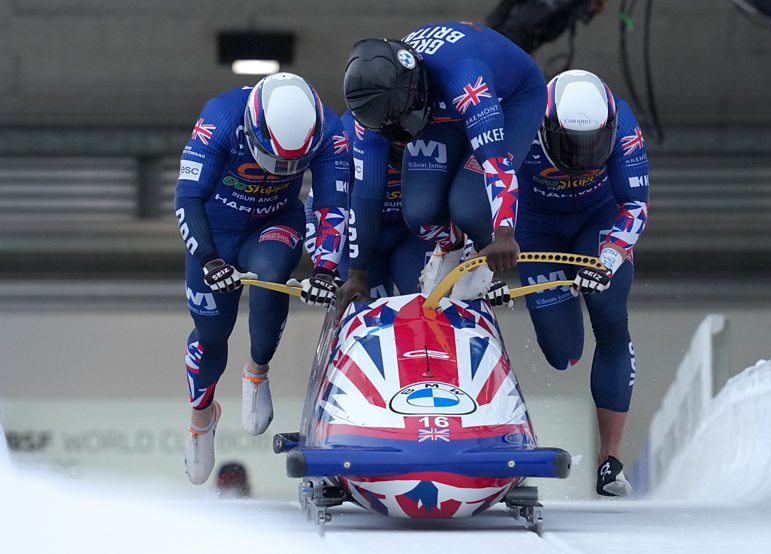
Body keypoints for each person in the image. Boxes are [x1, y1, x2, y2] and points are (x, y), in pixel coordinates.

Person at [174, 72, 349, 485]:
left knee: (272, 276)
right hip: (215, 229)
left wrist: (325, 267)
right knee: (212, 331)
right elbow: (187, 197)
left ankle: (257, 369)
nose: (282, 169)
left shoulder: (331, 131)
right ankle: (202, 415)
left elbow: (332, 204)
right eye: (274, 159)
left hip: (273, 223)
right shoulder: (220, 117)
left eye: (293, 164)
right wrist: (208, 258)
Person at [495, 69, 649, 496]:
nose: (582, 155)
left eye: (593, 145)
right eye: (572, 145)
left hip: (597, 224)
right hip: (538, 230)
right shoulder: (519, 123)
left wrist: (609, 258)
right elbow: (490, 188)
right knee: (564, 353)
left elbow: (634, 205)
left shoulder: (626, 129)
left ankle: (610, 461)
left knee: (610, 316)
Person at [340, 21, 546, 305]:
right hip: (438, 110)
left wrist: (503, 234)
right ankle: (452, 246)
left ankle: (479, 249)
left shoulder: (465, 77)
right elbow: (366, 193)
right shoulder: (375, 110)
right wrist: (357, 273)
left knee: (470, 207)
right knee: (420, 213)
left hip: (510, 100)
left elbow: (496, 162)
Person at [305, 112, 435, 299]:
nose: (402, 152)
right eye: (397, 145)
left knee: (431, 305)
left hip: (412, 235)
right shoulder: (343, 140)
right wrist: (325, 270)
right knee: (362, 310)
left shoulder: (437, 127)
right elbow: (314, 210)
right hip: (354, 241)